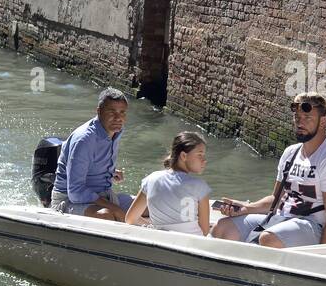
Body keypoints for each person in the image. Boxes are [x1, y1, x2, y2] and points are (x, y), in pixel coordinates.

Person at [213, 93, 326, 248]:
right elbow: (276, 199)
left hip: (312, 227)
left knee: (268, 238)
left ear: (323, 122)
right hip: (280, 219)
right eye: (297, 117)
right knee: (222, 228)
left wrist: (323, 259)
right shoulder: (291, 153)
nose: (300, 123)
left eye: (308, 118)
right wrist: (247, 208)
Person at [50, 88, 133, 221]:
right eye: (112, 112)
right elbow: (75, 192)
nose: (118, 118)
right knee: (106, 215)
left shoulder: (116, 130)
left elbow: (93, 160)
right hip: (68, 201)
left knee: (150, 204)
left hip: (103, 195)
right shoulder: (84, 139)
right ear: (99, 111)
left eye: (122, 112)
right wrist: (115, 208)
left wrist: (109, 171)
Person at [126, 132, 212, 235]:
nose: (204, 160)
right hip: (191, 244)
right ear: (183, 156)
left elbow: (130, 219)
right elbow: (205, 231)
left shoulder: (151, 179)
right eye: (200, 155)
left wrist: (152, 227)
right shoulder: (200, 186)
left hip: (161, 240)